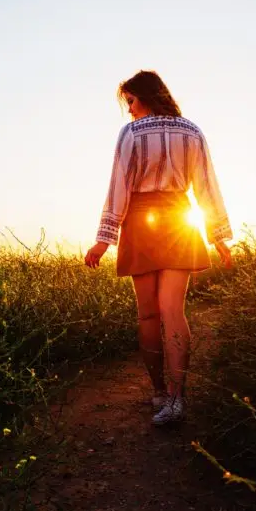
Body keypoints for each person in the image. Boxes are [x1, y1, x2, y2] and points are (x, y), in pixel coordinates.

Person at [84, 69, 233, 426]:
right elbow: (206, 186)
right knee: (173, 311)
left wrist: (104, 240)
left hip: (140, 221)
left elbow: (118, 186)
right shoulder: (193, 131)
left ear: (145, 97)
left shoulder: (131, 133)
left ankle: (160, 393)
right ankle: (178, 398)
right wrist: (218, 236)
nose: (130, 110)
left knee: (149, 315)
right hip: (179, 221)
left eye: (131, 101)